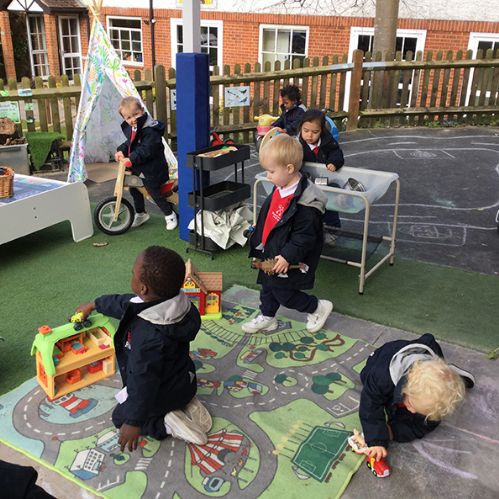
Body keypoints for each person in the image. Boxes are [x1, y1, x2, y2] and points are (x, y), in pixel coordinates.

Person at [75, 246, 212, 451]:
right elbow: (124, 304)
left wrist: (133, 422)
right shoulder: (180, 304)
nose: (131, 274)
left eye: (133, 273)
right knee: (173, 387)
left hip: (159, 393)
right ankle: (185, 402)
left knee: (119, 417)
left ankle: (166, 423)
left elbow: (143, 380)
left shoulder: (148, 339)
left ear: (143, 289)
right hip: (186, 381)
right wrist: (94, 304)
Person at [242, 133, 333, 334]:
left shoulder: (306, 204)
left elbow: (304, 237)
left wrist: (287, 256)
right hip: (272, 249)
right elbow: (273, 213)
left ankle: (317, 307)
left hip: (289, 257)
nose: (268, 176)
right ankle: (268, 316)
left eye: (271, 171)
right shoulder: (281, 186)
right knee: (267, 286)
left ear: (289, 169)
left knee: (285, 293)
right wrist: (260, 228)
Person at [359, 333, 475, 462]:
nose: (412, 411)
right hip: (382, 357)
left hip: (423, 357)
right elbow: (370, 404)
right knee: (367, 380)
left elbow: (422, 427)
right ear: (406, 388)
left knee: (427, 415)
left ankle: (450, 374)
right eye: (411, 404)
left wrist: (391, 432)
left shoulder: (433, 406)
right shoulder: (381, 377)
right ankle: (449, 371)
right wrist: (376, 440)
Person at [115, 96, 178, 231]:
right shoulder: (135, 128)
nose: (133, 119)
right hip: (141, 168)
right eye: (128, 117)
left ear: (142, 111)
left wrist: (131, 159)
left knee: (153, 191)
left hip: (154, 170)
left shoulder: (150, 130)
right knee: (134, 188)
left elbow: (146, 149)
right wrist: (121, 150)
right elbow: (130, 143)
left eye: (135, 114)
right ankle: (141, 213)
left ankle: (169, 214)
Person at [299, 109, 345, 233]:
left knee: (330, 205)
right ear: (300, 128)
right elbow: (292, 159)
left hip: (325, 181)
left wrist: (333, 162)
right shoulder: (298, 145)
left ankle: (332, 231)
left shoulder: (328, 141)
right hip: (307, 184)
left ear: (322, 130)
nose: (309, 135)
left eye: (315, 132)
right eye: (306, 131)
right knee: (308, 209)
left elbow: (337, 153)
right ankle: (310, 231)